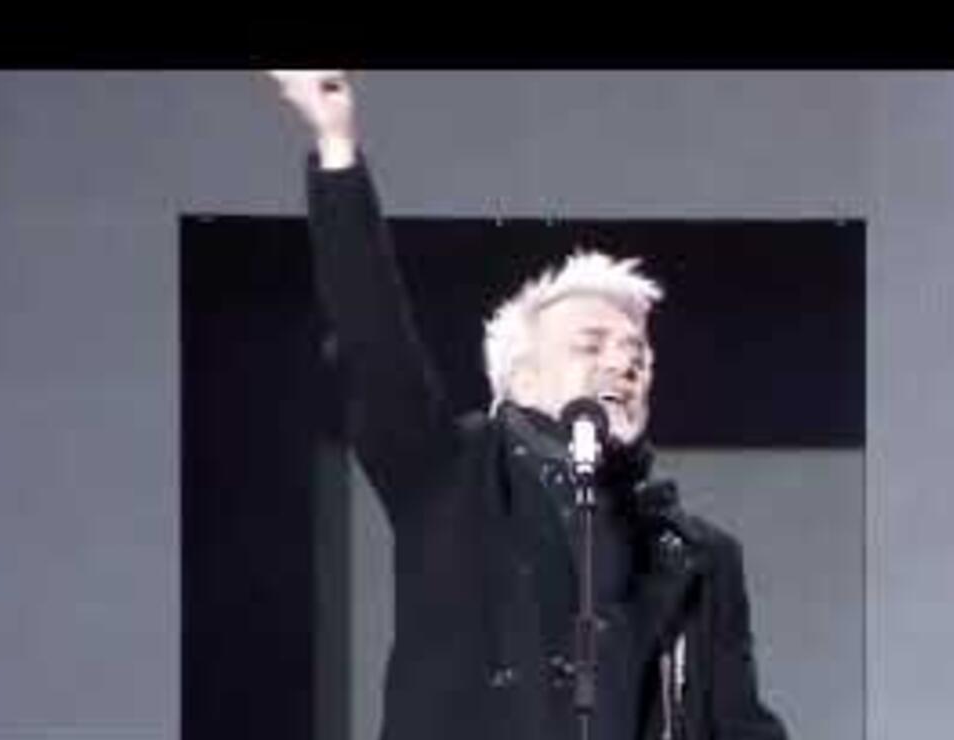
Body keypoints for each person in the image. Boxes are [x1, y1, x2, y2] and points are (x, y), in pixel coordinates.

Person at [267, 70, 789, 740]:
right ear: (519, 374)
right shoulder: (449, 474)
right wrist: (337, 148)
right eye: (591, 343)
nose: (625, 362)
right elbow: (374, 338)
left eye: (638, 353)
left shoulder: (699, 556)